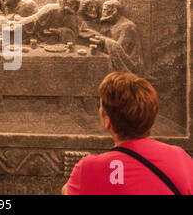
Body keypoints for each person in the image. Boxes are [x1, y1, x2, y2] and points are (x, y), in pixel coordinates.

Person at [62, 72, 193, 195]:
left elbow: (67, 191)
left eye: (101, 106)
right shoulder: (181, 158)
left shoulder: (90, 169)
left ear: (107, 121)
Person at [90, 0, 143, 74]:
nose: (102, 13)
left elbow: (121, 52)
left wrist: (105, 41)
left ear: (114, 11)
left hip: (128, 66)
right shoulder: (112, 24)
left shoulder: (127, 26)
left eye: (104, 9)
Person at [13, 0, 79, 44]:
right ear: (63, 1)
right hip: (40, 36)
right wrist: (20, 22)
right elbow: (35, 20)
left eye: (74, 4)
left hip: (55, 39)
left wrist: (58, 31)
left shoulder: (70, 15)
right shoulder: (50, 9)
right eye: (71, 2)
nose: (73, 6)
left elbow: (73, 33)